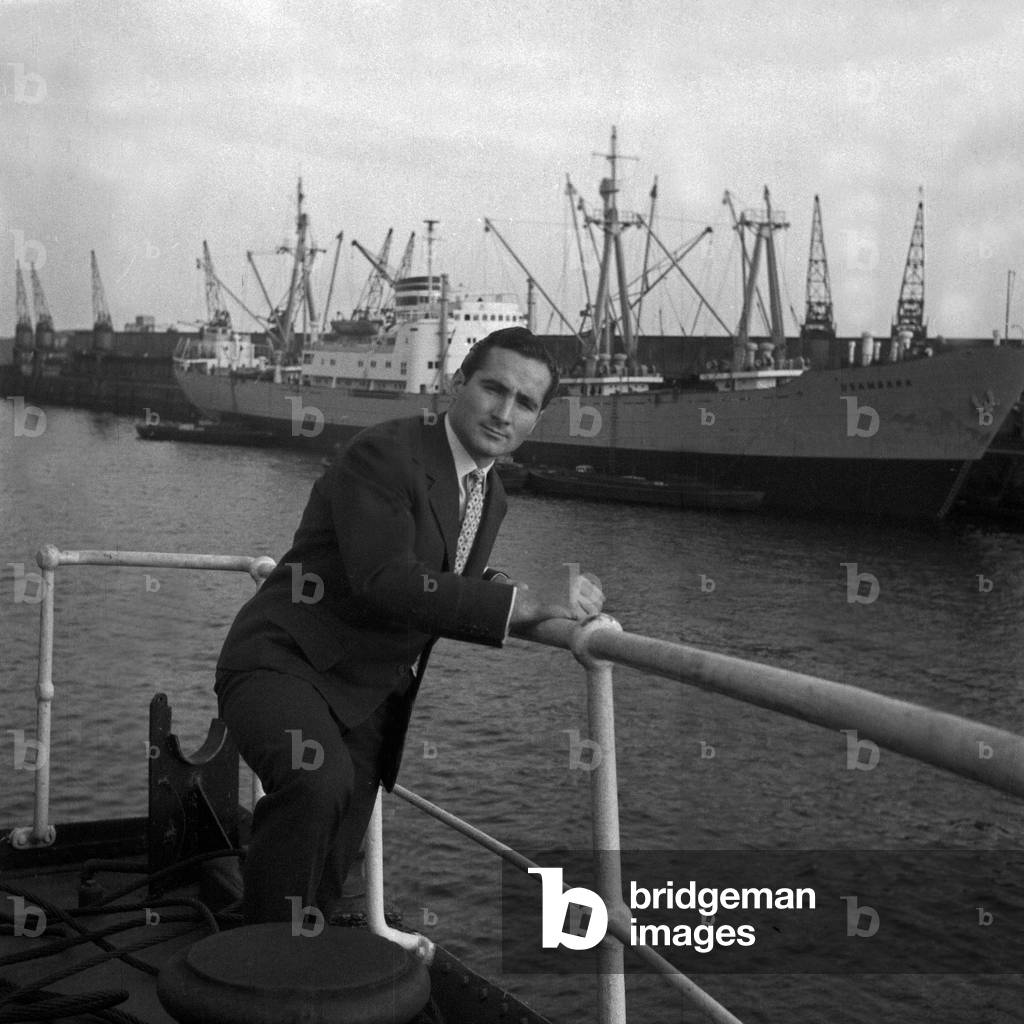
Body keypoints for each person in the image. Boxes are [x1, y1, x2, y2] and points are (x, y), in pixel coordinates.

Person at [215, 326, 604, 925]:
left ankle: (298, 958)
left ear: (538, 417)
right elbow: (387, 578)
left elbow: (439, 565)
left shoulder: (487, 491)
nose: (504, 413)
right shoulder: (387, 453)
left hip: (368, 692)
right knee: (315, 784)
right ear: (457, 384)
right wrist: (521, 606)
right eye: (492, 389)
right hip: (283, 661)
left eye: (525, 403)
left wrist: (531, 596)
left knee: (333, 852)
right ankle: (258, 967)